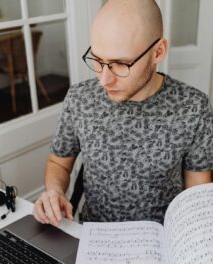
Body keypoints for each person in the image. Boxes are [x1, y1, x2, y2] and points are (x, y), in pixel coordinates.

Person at [33, 0, 213, 227]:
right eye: (98, 60)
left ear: (158, 52)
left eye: (120, 64)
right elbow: (58, 163)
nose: (104, 79)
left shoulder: (193, 107)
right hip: (94, 238)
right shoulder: (80, 99)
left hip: (162, 243)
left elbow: (197, 192)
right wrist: (55, 191)